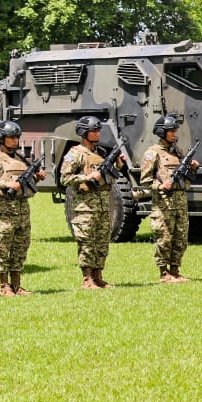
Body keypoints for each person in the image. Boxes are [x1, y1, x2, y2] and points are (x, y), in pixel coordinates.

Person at [0, 120, 44, 296]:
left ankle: (16, 285)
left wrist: (37, 178)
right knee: (3, 248)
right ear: (1, 138)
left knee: (20, 248)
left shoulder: (20, 159)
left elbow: (27, 183)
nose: (15, 140)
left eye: (17, 137)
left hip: (23, 210)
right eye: (11, 137)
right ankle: (4, 286)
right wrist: (6, 184)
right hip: (4, 211)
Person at [59, 116, 123, 289]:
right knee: (87, 242)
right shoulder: (75, 153)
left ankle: (98, 276)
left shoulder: (101, 153)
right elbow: (65, 178)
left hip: (103, 206)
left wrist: (117, 166)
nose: (97, 134)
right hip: (85, 207)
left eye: (98, 130)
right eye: (93, 131)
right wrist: (87, 177)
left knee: (102, 242)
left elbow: (109, 178)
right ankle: (87, 279)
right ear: (84, 133)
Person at [139, 115, 198, 283]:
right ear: (161, 132)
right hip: (163, 204)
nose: (175, 134)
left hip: (180, 202)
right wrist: (160, 186)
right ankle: (164, 273)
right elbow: (145, 179)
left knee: (180, 238)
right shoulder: (152, 153)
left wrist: (192, 168)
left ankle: (175, 271)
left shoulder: (178, 152)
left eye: (175, 131)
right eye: (171, 131)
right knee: (164, 238)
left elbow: (186, 178)